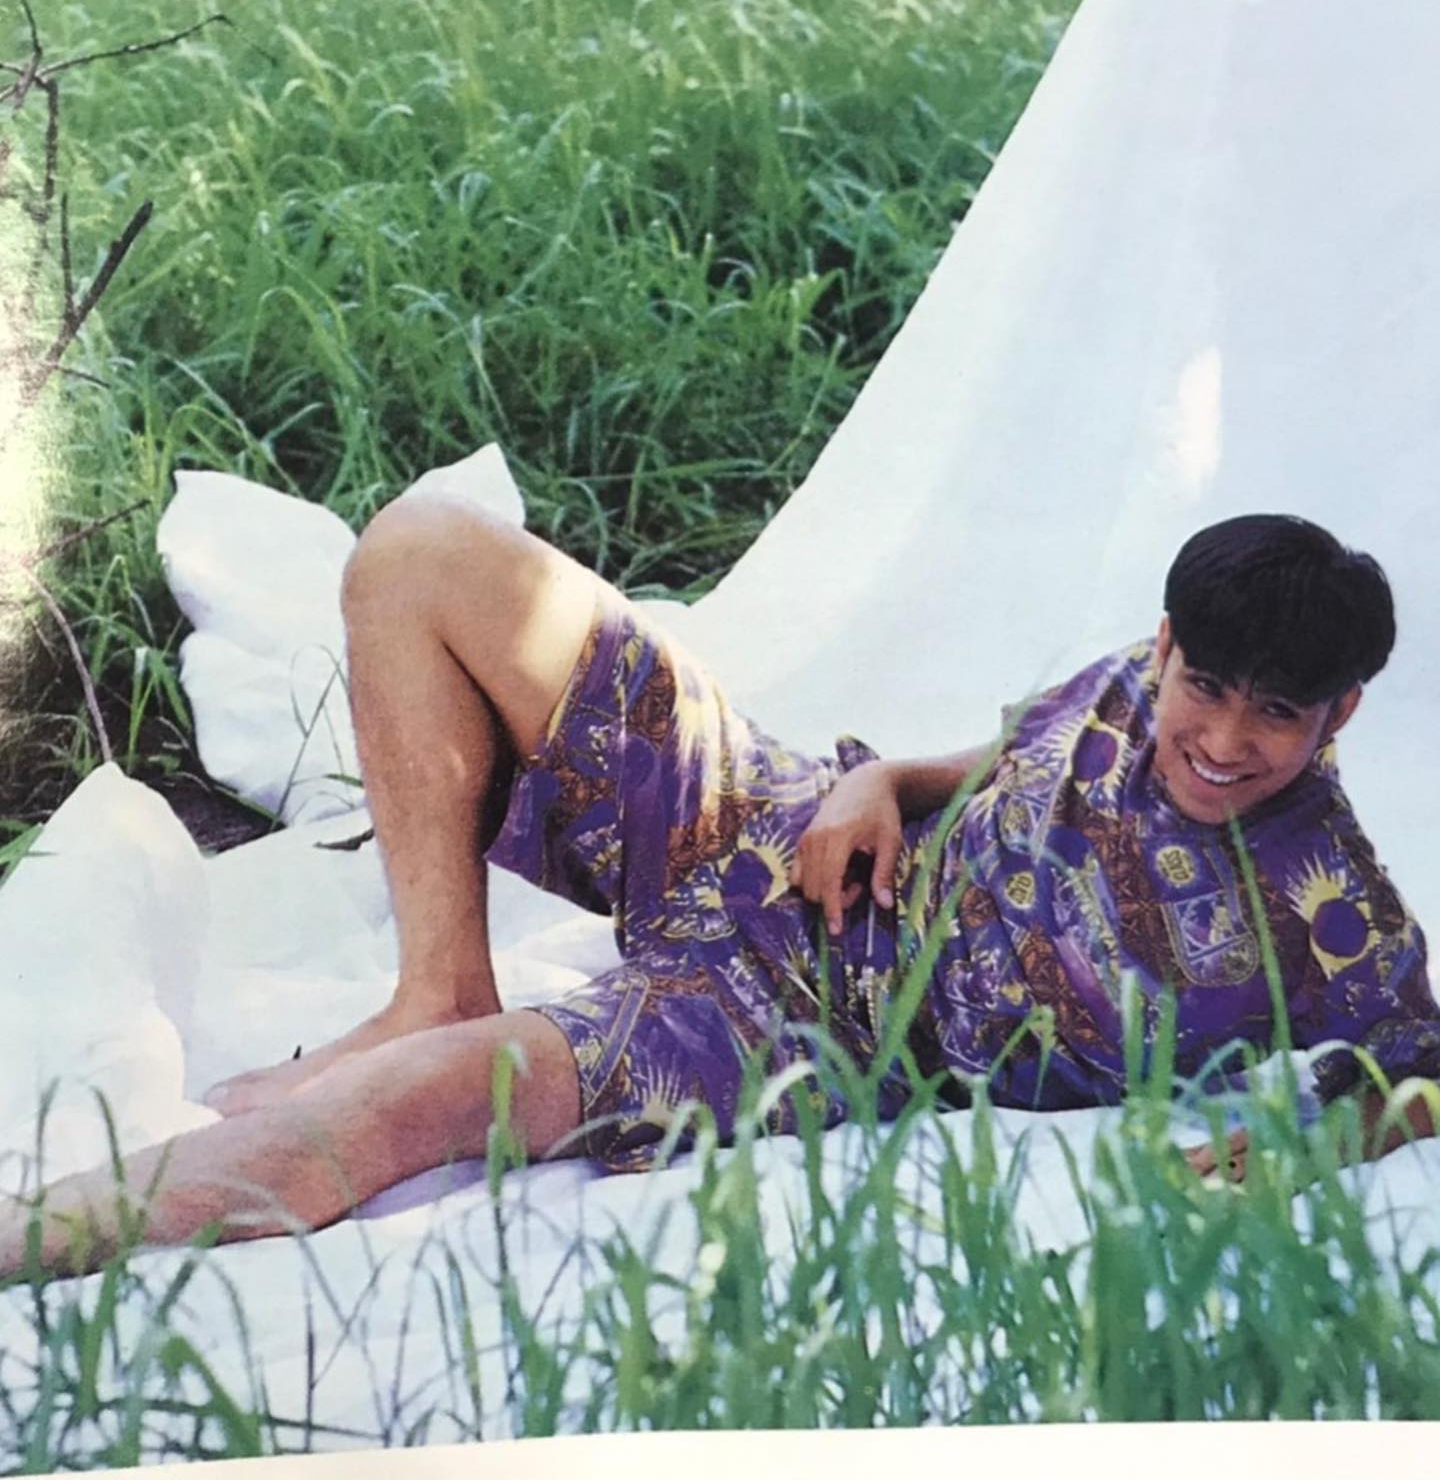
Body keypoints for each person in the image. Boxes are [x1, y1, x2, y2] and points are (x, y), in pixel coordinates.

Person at [4, 507, 1438, 1281]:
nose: (1224, 739)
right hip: (780, 821)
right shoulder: (1145, 672)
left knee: (409, 1109)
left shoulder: (1333, 909)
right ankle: (437, 981)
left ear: (1343, 713)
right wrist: (885, 785)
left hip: (803, 1024)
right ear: (1172, 645)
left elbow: (1423, 1069)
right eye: (1207, 687)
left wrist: (1300, 1152)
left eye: (1278, 714)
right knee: (420, 556)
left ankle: (27, 1243)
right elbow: (1021, 760)